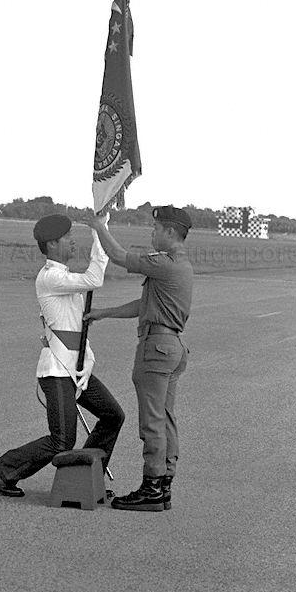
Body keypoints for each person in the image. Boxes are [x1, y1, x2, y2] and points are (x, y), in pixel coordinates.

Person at [0, 213, 125, 498]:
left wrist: (89, 360)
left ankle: (87, 478)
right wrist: (100, 231)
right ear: (51, 244)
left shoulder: (65, 278)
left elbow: (74, 330)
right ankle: (1, 470)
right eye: (67, 238)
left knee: (113, 415)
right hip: (57, 371)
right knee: (62, 440)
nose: (73, 242)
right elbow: (95, 278)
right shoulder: (50, 278)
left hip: (76, 368)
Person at [85, 206, 193, 512]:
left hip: (156, 349)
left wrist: (98, 227)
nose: (152, 233)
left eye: (156, 229)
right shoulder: (179, 264)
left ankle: (151, 488)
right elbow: (144, 304)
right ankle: (164, 484)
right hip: (170, 346)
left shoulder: (165, 263)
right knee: (165, 419)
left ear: (170, 232)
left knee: (152, 422)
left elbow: (119, 256)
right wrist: (105, 313)